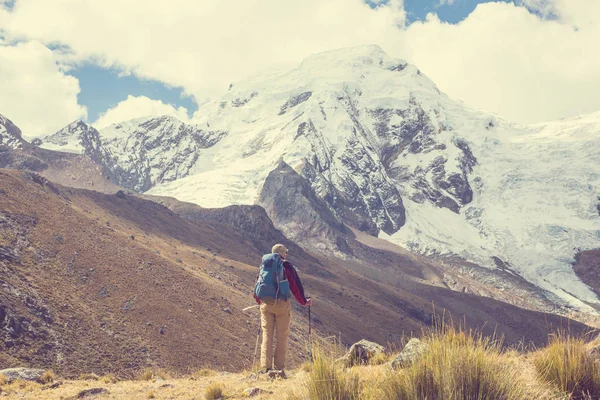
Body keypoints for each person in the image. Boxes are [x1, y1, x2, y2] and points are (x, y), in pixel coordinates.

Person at [253, 244, 312, 376]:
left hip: (265, 304)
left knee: (267, 335)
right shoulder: (286, 266)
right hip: (281, 305)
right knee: (281, 336)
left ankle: (265, 368)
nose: (286, 254)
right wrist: (303, 301)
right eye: (285, 252)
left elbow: (258, 283)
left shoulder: (265, 264)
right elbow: (295, 285)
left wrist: (259, 301)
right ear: (282, 253)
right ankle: (279, 369)